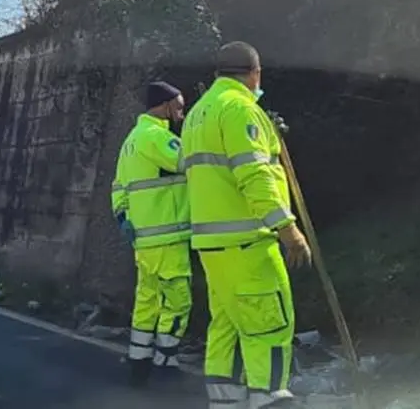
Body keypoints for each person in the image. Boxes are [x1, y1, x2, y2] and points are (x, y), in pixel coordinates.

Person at [181, 41, 311, 408]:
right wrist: (288, 229)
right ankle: (269, 398)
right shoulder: (241, 109)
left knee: (226, 325)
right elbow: (254, 175)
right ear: (255, 74)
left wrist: (270, 135)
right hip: (249, 242)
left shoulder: (198, 113)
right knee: (269, 325)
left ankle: (225, 402)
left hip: (212, 245)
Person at [111, 81, 192, 388]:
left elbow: (118, 186)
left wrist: (123, 218)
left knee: (147, 300)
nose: (182, 114)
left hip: (144, 239)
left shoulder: (131, 140)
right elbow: (190, 162)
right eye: (180, 107)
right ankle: (167, 360)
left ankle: (139, 360)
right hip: (168, 237)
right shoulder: (157, 137)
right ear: (166, 105)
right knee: (178, 300)